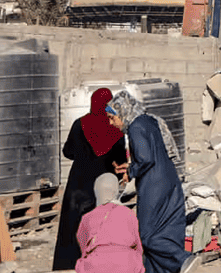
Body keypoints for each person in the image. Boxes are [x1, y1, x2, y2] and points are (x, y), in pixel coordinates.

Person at [105, 92, 192, 273]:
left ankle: (182, 260)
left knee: (147, 236)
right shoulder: (149, 121)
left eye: (112, 118)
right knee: (166, 230)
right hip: (169, 181)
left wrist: (130, 172)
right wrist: (131, 166)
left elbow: (145, 158)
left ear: (123, 112)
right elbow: (152, 153)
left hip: (154, 187)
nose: (111, 123)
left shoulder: (136, 126)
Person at [53, 87, 129, 270]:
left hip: (77, 184)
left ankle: (68, 267)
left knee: (72, 228)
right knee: (100, 229)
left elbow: (67, 152)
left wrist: (82, 153)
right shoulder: (114, 129)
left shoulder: (79, 124)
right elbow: (121, 160)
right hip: (103, 184)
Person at [74, 173, 146, 273]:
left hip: (95, 266)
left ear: (96, 192)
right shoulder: (128, 213)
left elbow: (83, 247)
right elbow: (138, 246)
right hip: (126, 264)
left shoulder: (87, 217)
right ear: (116, 191)